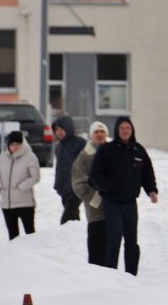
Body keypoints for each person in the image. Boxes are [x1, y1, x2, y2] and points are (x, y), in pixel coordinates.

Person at [89, 117, 158, 275]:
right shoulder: (107, 150)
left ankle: (131, 275)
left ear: (132, 130)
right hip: (112, 202)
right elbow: (95, 175)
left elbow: (147, 172)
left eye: (128, 128)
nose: (125, 131)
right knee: (114, 238)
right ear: (117, 131)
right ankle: (110, 274)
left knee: (132, 241)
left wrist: (151, 190)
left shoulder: (138, 150)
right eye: (122, 128)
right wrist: (108, 188)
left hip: (130, 202)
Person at [71, 122, 109, 265]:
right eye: (96, 132)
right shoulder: (84, 156)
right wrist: (95, 199)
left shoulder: (112, 152)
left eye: (102, 131)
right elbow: (78, 183)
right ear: (91, 135)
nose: (99, 134)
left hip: (113, 209)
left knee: (110, 249)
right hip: (95, 212)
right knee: (96, 248)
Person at [0, 131, 41, 240]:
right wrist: (0, 188)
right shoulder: (2, 157)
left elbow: (35, 177)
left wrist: (21, 187)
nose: (14, 147)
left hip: (25, 203)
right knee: (12, 235)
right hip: (7, 204)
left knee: (30, 233)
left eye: (17, 144)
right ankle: (14, 255)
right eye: (12, 144)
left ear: (22, 144)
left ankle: (31, 254)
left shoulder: (30, 157)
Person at [51, 115, 86, 224]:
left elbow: (87, 163)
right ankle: (75, 239)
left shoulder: (80, 143)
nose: (59, 132)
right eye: (57, 129)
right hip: (63, 189)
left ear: (68, 128)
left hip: (76, 188)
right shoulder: (58, 147)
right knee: (73, 219)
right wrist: (58, 185)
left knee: (66, 220)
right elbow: (59, 168)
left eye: (62, 129)